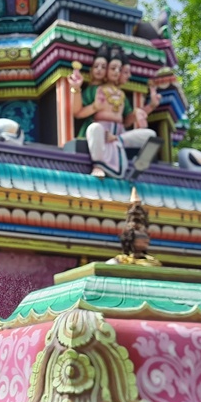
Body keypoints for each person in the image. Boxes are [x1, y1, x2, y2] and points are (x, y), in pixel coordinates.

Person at [69, 45, 157, 178]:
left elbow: (127, 121)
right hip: (102, 134)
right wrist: (92, 104)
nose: (116, 72)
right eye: (112, 68)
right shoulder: (96, 90)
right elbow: (77, 112)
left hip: (119, 137)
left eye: (119, 69)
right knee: (94, 128)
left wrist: (148, 107)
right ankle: (98, 166)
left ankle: (138, 165)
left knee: (151, 135)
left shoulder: (121, 94)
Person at [107, 187, 161, 266]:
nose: (146, 240)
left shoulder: (153, 262)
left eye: (146, 237)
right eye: (141, 237)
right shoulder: (120, 260)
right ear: (130, 239)